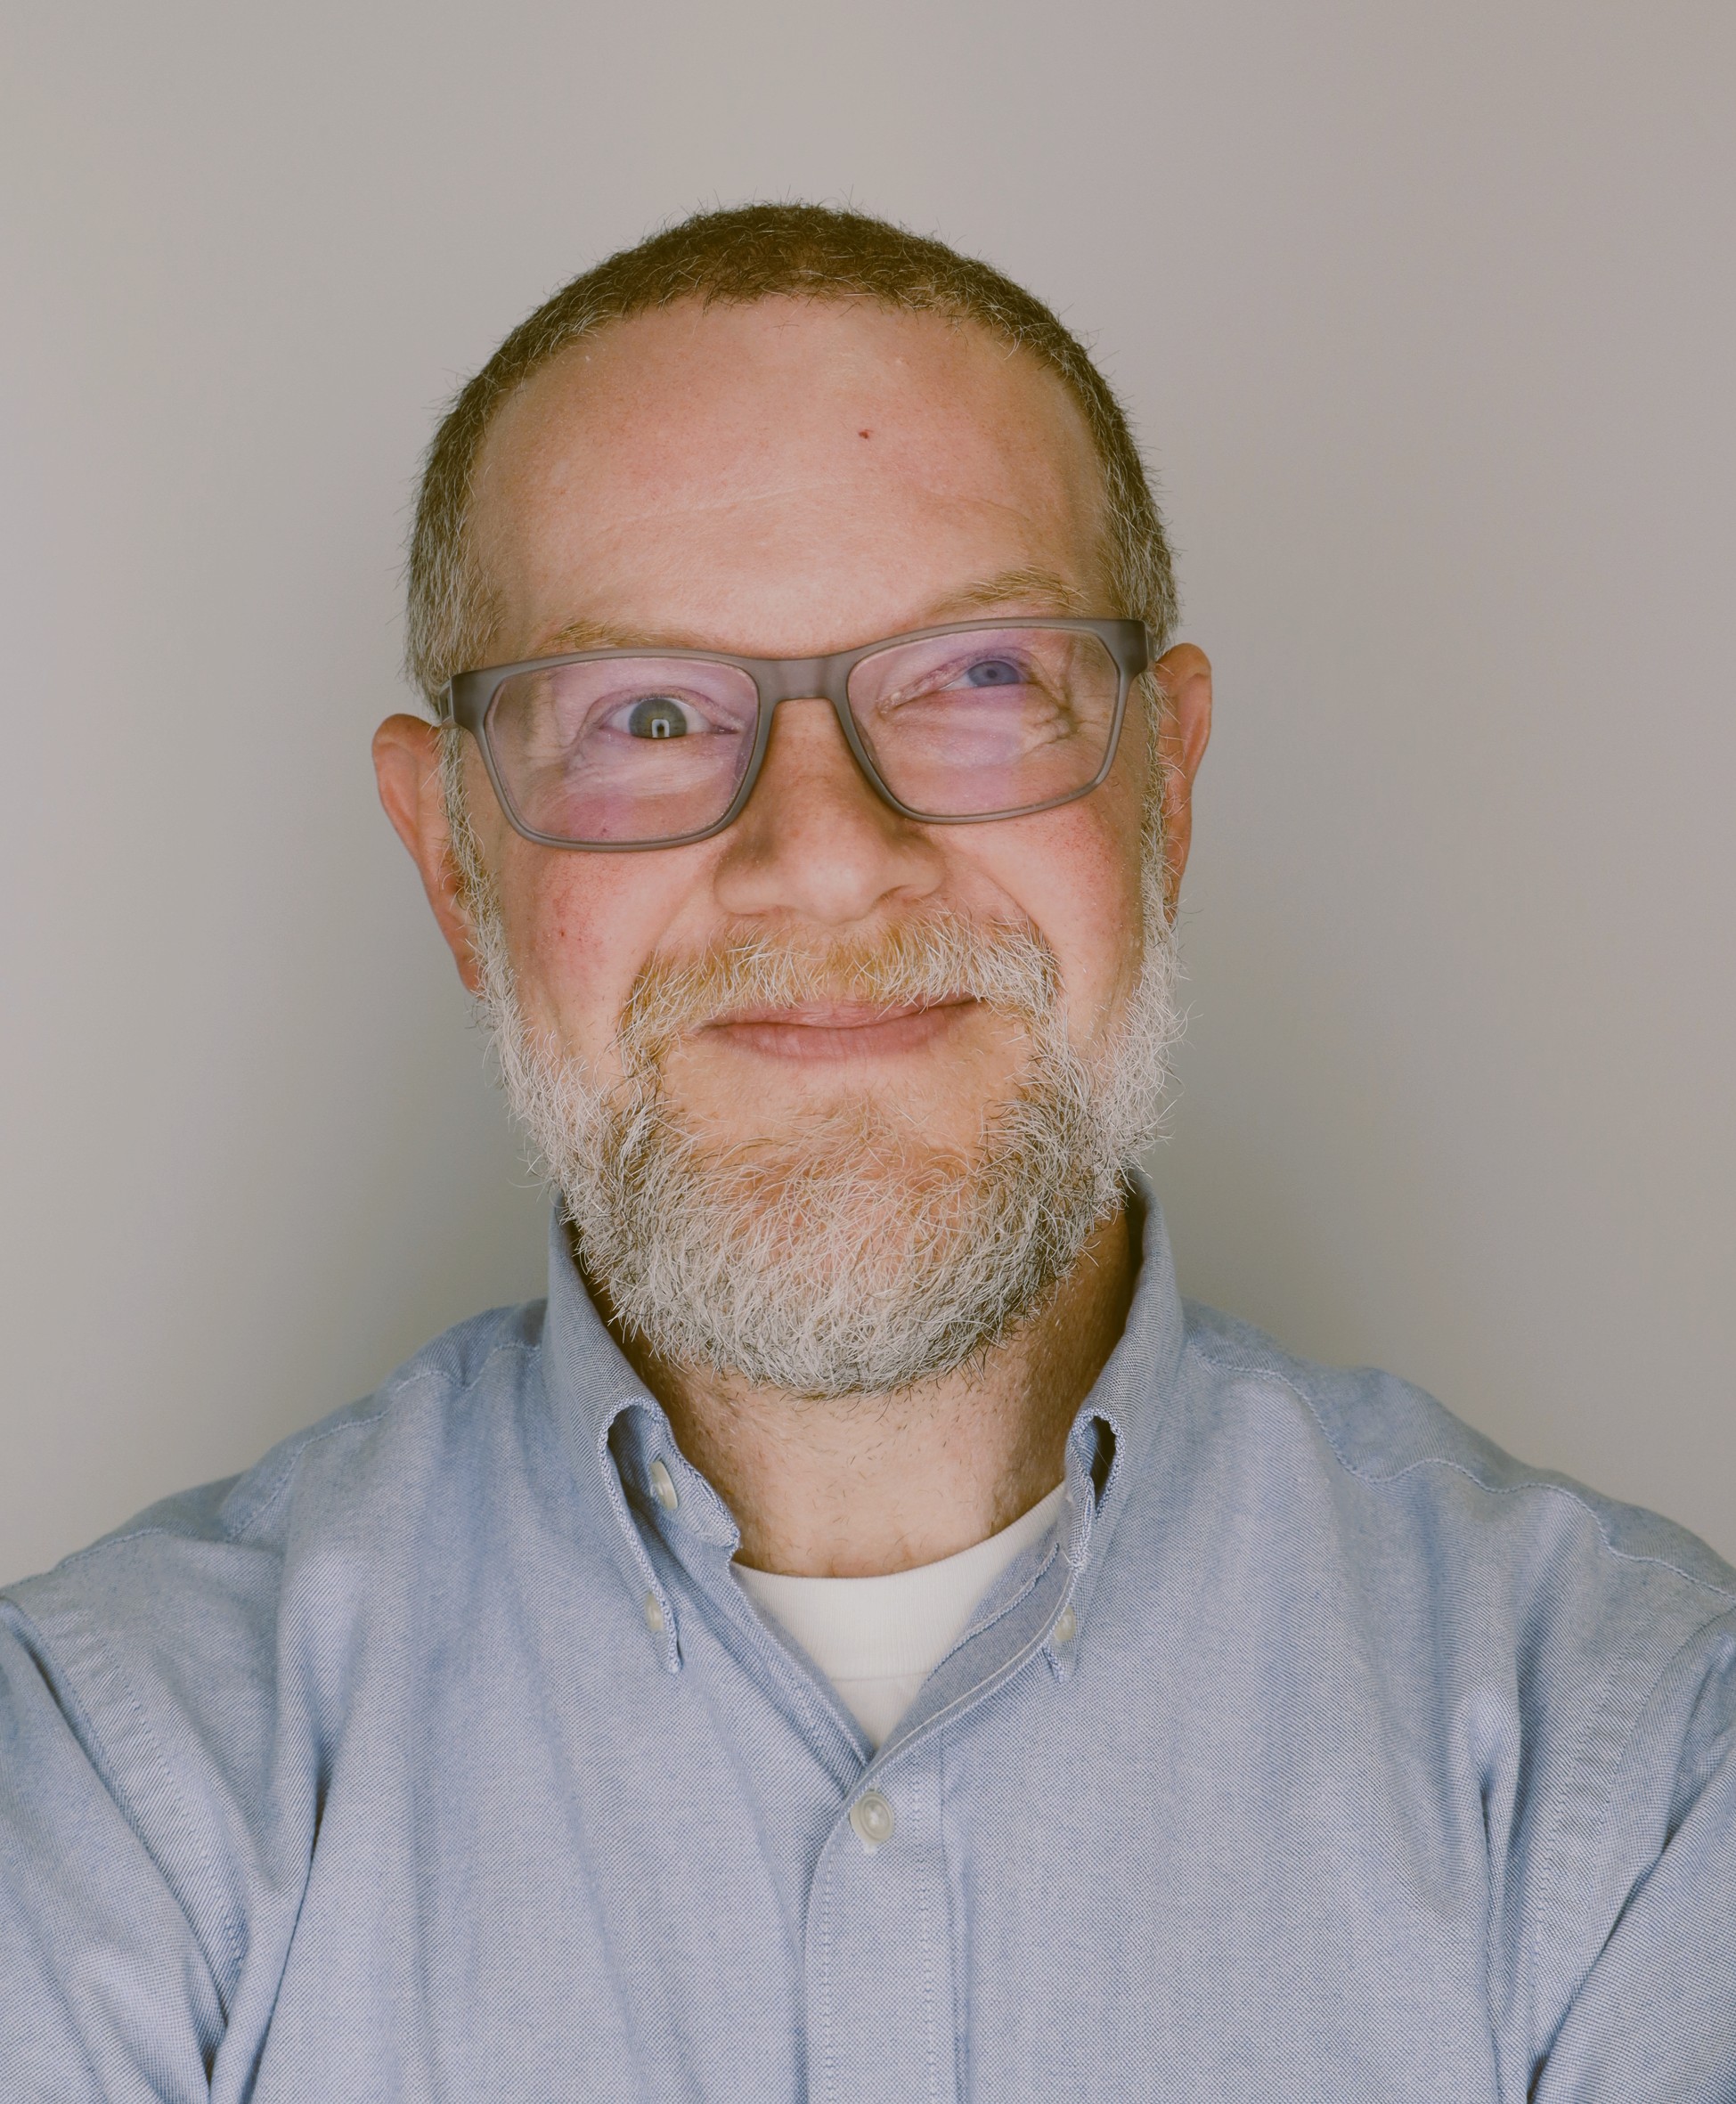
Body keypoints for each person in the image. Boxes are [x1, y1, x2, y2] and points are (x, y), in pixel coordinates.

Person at [2, 202, 1731, 2102]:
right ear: (451, 857)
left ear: (1164, 788)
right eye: (648, 713)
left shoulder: (1642, 1766)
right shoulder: (99, 1785)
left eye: (978, 679)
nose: (824, 856)